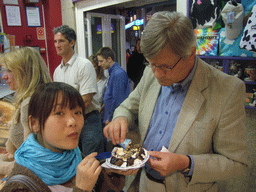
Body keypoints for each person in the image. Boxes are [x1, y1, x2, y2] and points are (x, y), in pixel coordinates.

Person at [103, 11, 248, 192]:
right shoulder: (150, 74)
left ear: (191, 53)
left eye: (165, 66)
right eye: (152, 64)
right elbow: (127, 106)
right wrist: (121, 118)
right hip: (144, 183)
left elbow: (236, 163)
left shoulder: (227, 90)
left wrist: (186, 163)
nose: (156, 74)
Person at [1, 82, 101, 192]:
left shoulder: (73, 155)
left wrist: (112, 172)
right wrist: (82, 189)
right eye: (59, 113)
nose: (72, 121)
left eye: (77, 112)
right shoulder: (18, 186)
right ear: (34, 123)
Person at [53, 25, 104, 156]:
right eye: (55, 41)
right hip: (68, 122)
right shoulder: (57, 71)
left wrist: (60, 110)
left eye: (61, 41)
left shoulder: (84, 65)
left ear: (72, 42)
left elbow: (86, 100)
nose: (57, 45)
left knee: (91, 160)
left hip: (88, 121)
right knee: (73, 159)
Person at [0, 47, 52, 175]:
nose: (4, 76)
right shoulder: (33, 97)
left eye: (9, 70)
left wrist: (2, 167)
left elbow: (33, 161)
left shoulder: (29, 103)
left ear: (25, 72)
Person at [97, 47, 130, 126]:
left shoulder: (118, 74)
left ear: (109, 59)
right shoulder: (112, 72)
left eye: (101, 61)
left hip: (114, 118)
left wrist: (110, 118)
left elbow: (118, 100)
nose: (99, 64)